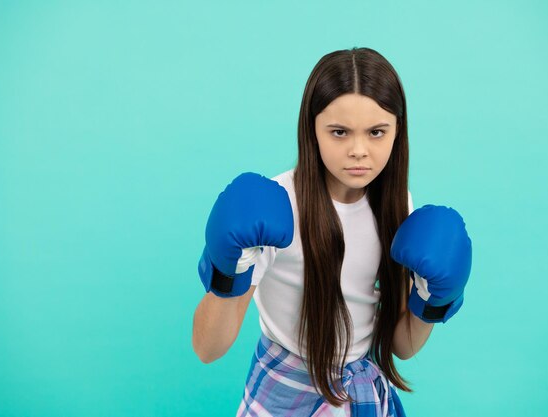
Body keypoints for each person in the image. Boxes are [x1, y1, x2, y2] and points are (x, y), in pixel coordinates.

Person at [192, 46, 472, 417]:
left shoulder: (396, 206)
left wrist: (432, 300)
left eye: (376, 132)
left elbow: (402, 345)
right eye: (339, 132)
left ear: (397, 132)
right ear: (313, 130)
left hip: (361, 390)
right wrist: (230, 270)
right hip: (284, 388)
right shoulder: (281, 208)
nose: (359, 150)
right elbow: (208, 348)